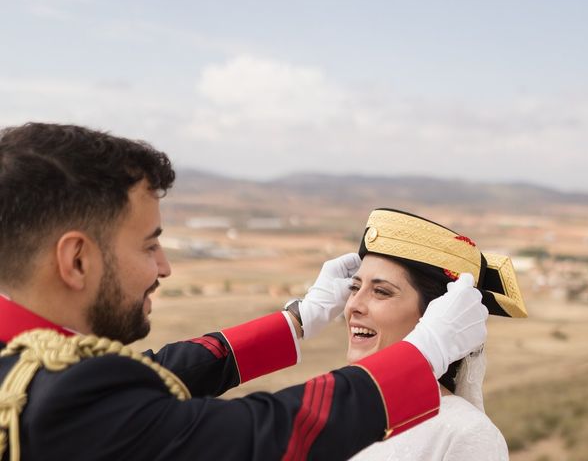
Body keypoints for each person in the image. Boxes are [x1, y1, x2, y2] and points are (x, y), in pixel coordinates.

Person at [0, 123, 489, 461]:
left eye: (379, 290)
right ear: (77, 260)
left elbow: (157, 373)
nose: (164, 267)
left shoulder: (27, 369)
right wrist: (423, 353)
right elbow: (262, 437)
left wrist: (296, 323)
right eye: (150, 246)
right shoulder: (69, 392)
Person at [346, 208, 528, 460]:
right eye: (354, 287)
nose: (353, 304)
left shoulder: (466, 433)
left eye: (381, 292)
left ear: (438, 315)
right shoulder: (340, 412)